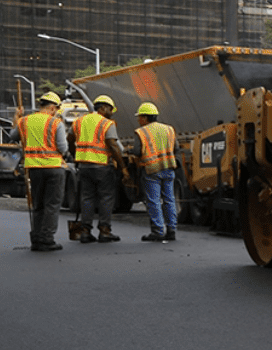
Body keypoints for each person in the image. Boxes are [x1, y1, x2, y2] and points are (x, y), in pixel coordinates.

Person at [10, 92, 68, 252]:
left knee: (38, 204)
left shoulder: (24, 121)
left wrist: (17, 117)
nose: (56, 111)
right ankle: (47, 239)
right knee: (52, 204)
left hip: (34, 169)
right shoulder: (56, 123)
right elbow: (63, 148)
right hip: (53, 168)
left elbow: (12, 136)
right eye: (56, 108)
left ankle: (36, 238)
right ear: (51, 107)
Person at [68, 95, 129, 243]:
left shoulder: (78, 122)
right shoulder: (107, 123)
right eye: (110, 109)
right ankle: (105, 231)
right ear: (102, 108)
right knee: (106, 198)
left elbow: (69, 140)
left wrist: (76, 156)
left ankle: (85, 232)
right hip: (102, 166)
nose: (111, 112)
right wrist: (123, 168)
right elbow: (113, 145)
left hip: (84, 166)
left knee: (87, 198)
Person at [131, 102, 179, 242]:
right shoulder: (169, 129)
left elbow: (137, 151)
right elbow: (175, 148)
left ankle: (158, 231)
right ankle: (171, 230)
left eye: (140, 117)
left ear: (145, 118)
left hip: (152, 170)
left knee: (154, 201)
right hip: (169, 168)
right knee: (169, 200)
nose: (139, 120)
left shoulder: (141, 132)